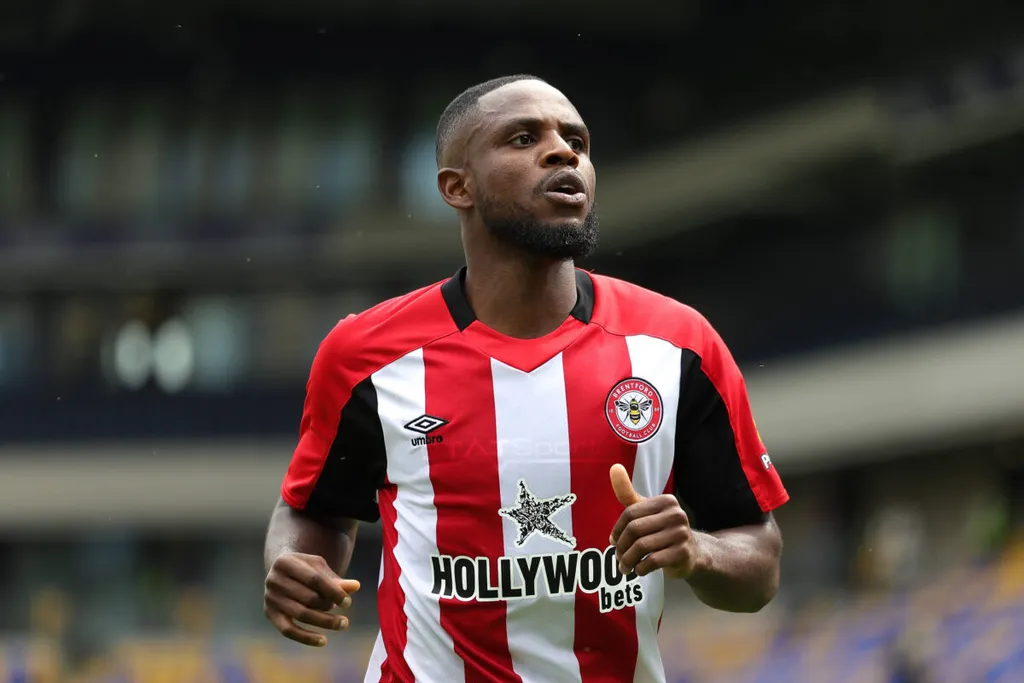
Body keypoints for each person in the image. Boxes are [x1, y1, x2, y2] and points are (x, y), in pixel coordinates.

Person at [263, 74, 789, 683]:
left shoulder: (678, 346)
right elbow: (315, 513)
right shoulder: (366, 355)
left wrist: (698, 552)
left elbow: (759, 569)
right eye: (522, 138)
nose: (564, 151)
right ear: (457, 188)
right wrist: (292, 564)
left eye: (577, 141)